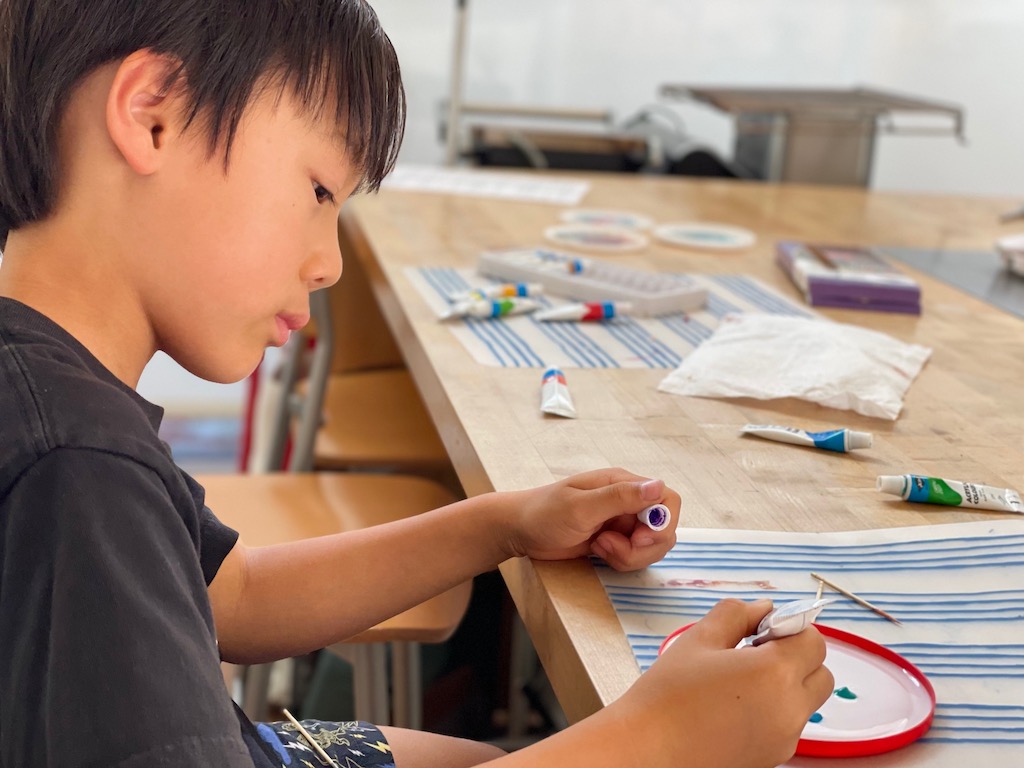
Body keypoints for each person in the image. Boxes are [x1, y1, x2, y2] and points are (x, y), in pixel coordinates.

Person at [0, 2, 833, 767]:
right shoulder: (78, 467)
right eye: (319, 189)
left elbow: (237, 596)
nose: (328, 263)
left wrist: (507, 523)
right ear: (155, 115)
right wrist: (660, 739)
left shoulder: (50, 388)